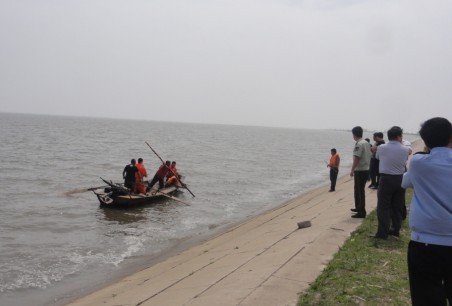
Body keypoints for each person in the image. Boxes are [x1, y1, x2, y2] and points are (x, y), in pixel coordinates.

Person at [402, 117, 452, 305]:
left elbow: (405, 182)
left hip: (425, 243)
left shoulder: (419, 163)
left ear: (425, 140)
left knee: (426, 297)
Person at [373, 126, 410, 239]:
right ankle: (395, 230)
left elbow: (378, 157)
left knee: (383, 206)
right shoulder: (405, 149)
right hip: (400, 178)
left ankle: (382, 232)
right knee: (397, 206)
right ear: (399, 136)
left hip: (386, 179)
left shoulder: (382, 147)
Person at [350, 126, 372, 218]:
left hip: (360, 170)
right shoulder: (366, 143)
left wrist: (352, 170)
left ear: (354, 134)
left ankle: (361, 212)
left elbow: (357, 158)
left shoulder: (359, 144)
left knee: (359, 191)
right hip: (366, 169)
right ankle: (358, 207)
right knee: (358, 190)